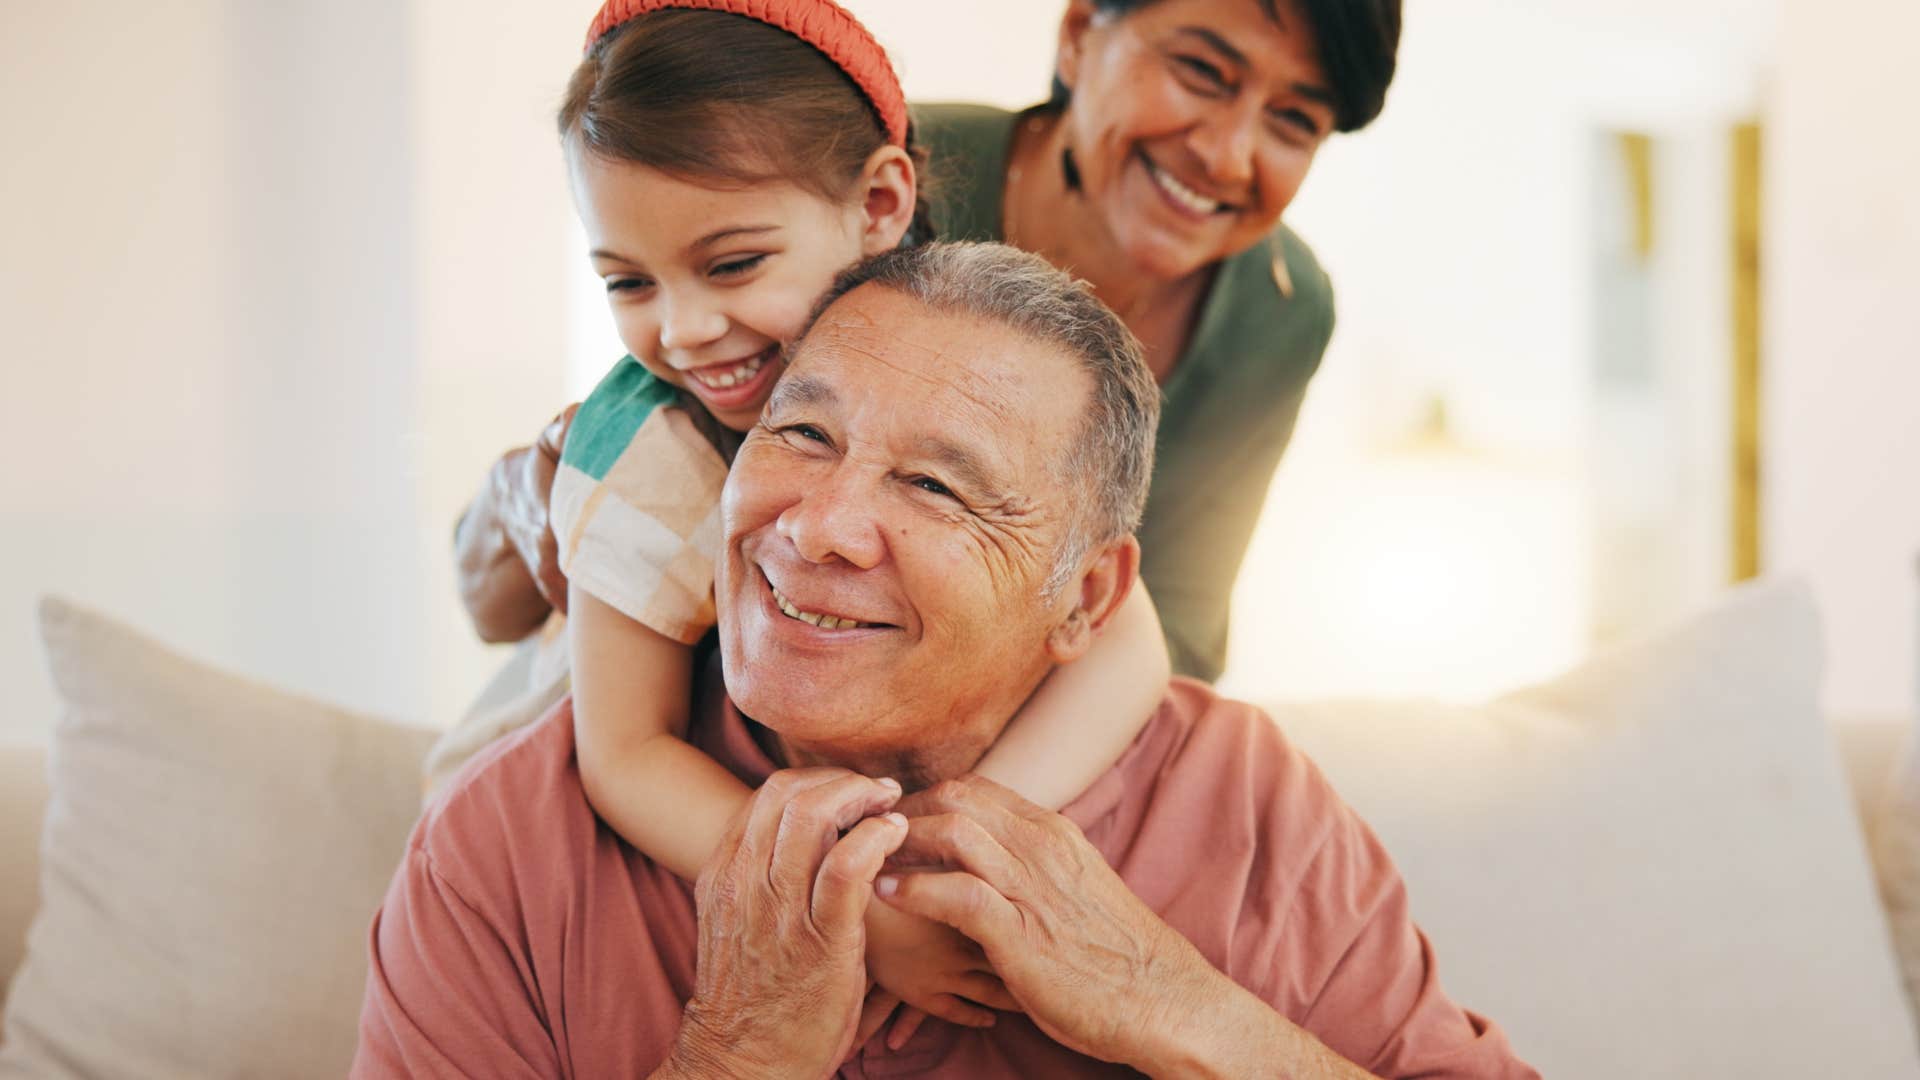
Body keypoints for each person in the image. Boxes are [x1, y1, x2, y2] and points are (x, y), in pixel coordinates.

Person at [354, 243, 1538, 1078]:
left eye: (932, 485)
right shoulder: (517, 835)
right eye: (800, 434)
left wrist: (1179, 1009)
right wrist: (744, 1050)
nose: (816, 525)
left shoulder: (1241, 806)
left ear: (1084, 599)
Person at [482, 0, 1172, 1044]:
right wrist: (861, 912)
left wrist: (941, 858)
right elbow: (623, 754)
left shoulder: (971, 352)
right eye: (628, 281)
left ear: (884, 201)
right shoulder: (641, 445)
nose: (682, 328)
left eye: (731, 265)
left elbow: (1130, 649)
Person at [454, 0, 1403, 686]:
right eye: (1203, 70)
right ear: (1079, 33)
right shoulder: (838, 186)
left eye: (1294, 119)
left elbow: (1178, 629)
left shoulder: (1282, 308)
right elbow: (628, 479)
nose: (1230, 153)